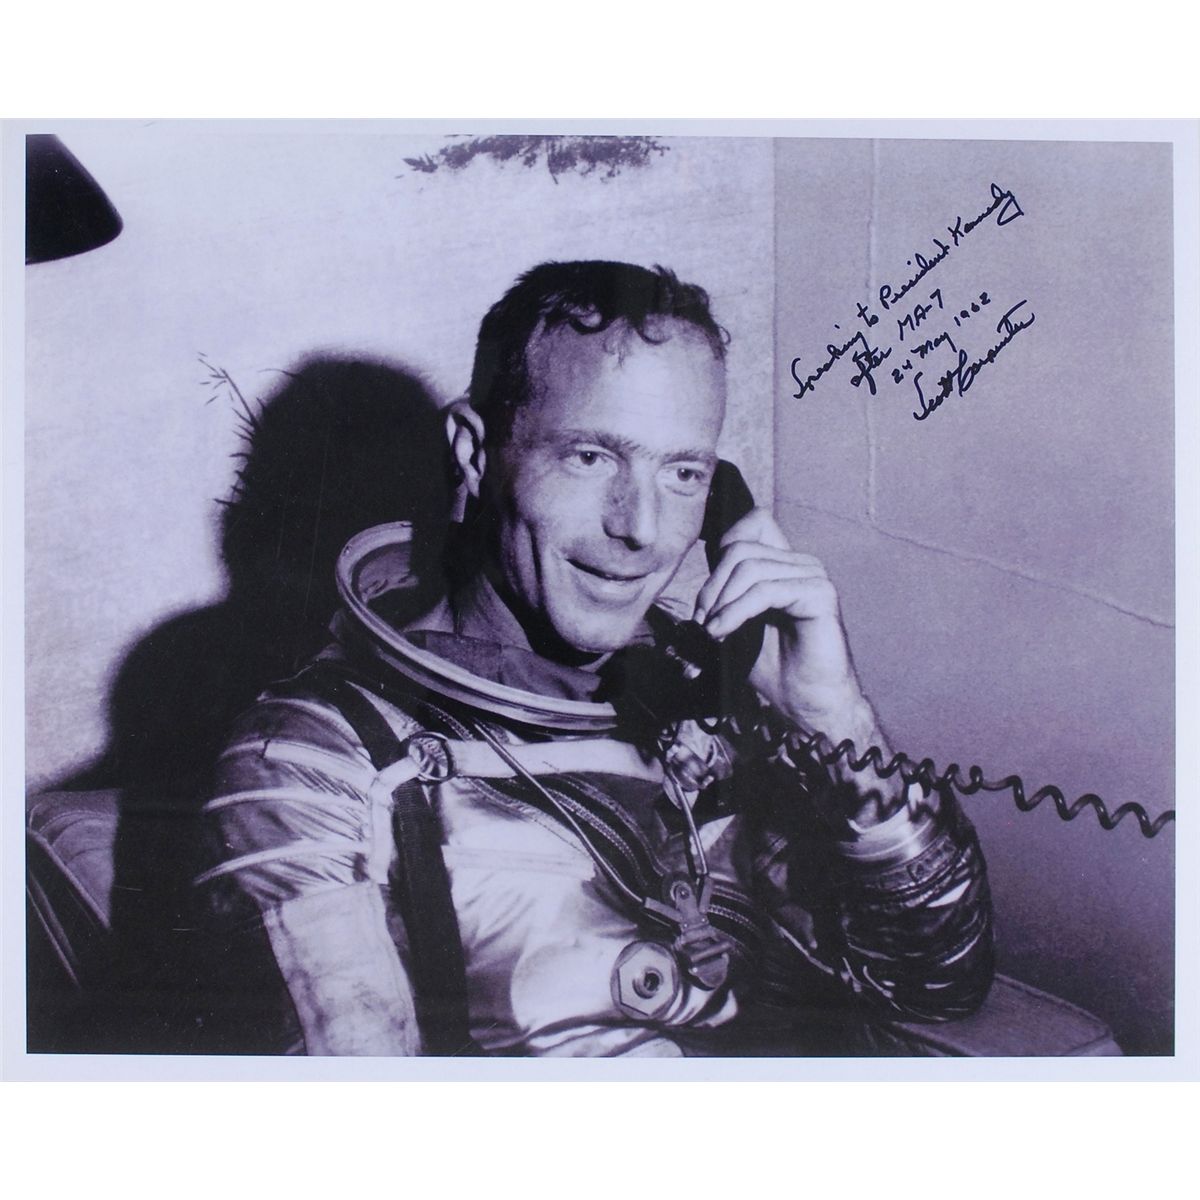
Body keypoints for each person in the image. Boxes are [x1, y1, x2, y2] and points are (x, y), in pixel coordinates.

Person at [202, 260, 993, 1056]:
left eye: (683, 473)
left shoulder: (704, 700)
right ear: (475, 454)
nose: (642, 530)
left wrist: (834, 717)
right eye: (590, 457)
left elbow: (935, 987)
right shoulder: (316, 762)